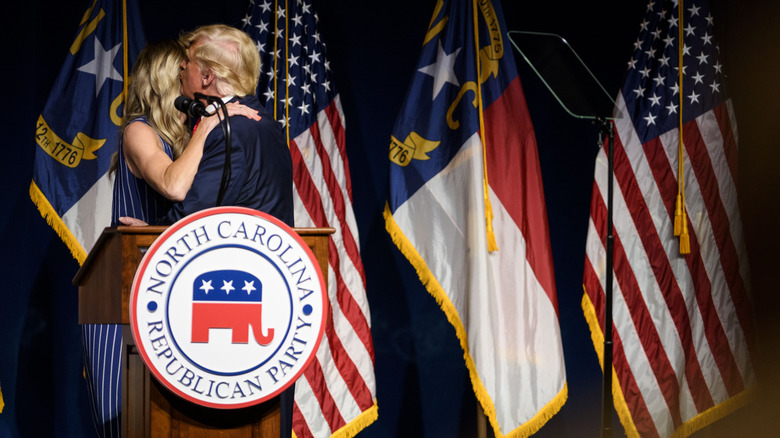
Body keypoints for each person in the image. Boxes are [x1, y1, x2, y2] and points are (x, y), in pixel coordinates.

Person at [83, 38, 262, 437]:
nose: (191, 82)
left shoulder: (186, 143)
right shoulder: (138, 131)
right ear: (167, 81)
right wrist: (212, 123)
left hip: (169, 296)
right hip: (123, 301)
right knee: (129, 423)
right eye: (183, 72)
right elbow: (174, 187)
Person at [163, 23, 294, 226]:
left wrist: (149, 233)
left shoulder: (231, 130)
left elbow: (196, 215)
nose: (181, 65)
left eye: (188, 60)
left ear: (207, 77)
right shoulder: (264, 122)